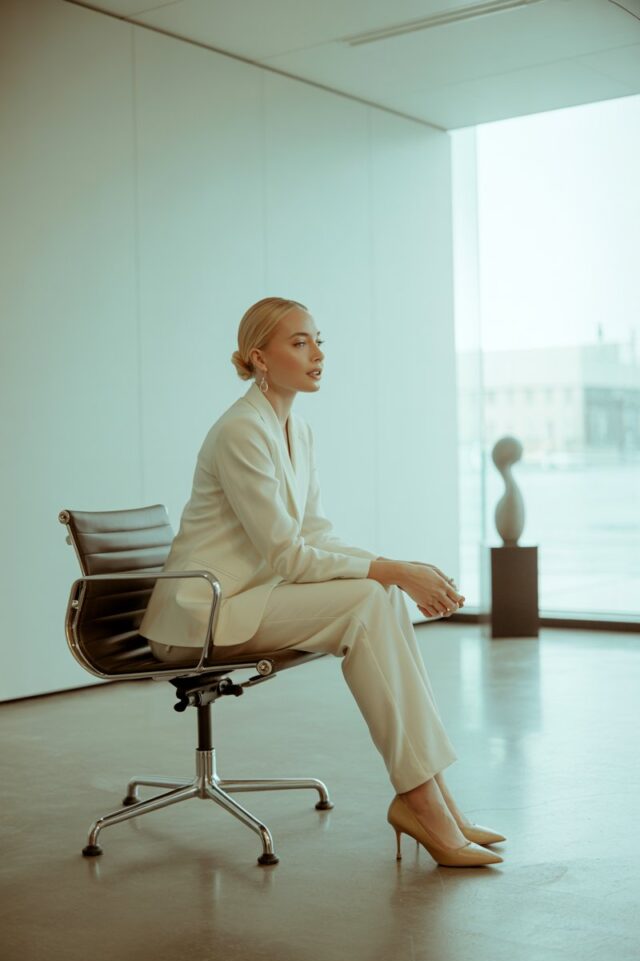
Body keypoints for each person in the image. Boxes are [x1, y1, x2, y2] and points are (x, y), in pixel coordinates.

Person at [139, 297, 505, 868]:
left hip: (248, 600)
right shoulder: (241, 431)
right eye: (299, 343)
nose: (318, 355)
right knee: (369, 596)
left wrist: (395, 567)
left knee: (376, 592)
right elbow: (288, 555)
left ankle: (436, 800)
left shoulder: (296, 430)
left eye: (318, 340)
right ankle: (422, 802)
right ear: (260, 358)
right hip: (202, 613)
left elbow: (316, 535)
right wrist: (392, 571)